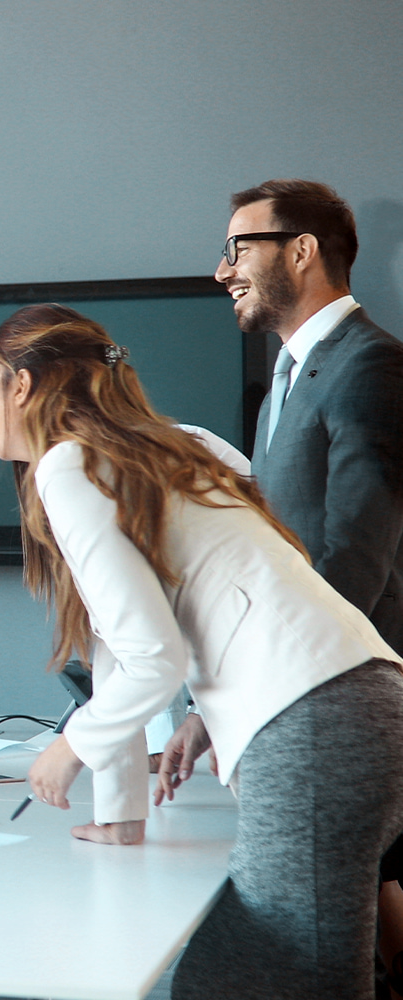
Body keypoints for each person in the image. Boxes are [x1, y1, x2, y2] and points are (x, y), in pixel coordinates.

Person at [0, 304, 403, 999]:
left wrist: (69, 746)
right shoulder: (182, 441)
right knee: (231, 973)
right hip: (366, 697)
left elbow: (152, 657)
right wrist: (120, 808)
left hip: (315, 729)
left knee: (293, 979)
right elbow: (127, 639)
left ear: (23, 386)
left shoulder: (67, 466)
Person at [214, 180, 403, 996]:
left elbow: (354, 565)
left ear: (302, 250)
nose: (221, 271)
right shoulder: (289, 377)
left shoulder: (373, 368)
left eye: (237, 248)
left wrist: (261, 685)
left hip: (340, 699)